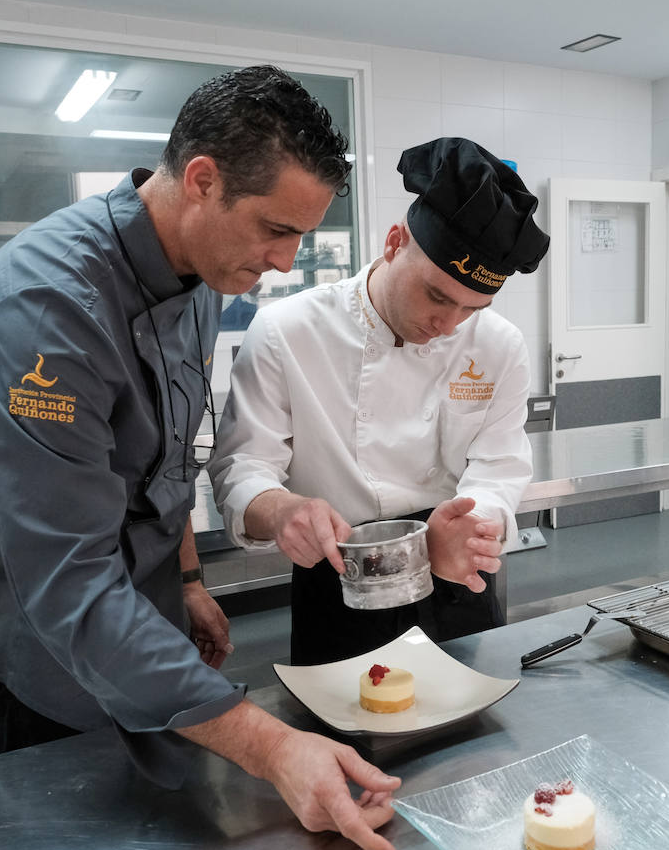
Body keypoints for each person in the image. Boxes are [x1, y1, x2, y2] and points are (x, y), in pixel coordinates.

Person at [0, 65, 400, 850]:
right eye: (275, 229)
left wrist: (185, 578)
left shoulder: (200, 277)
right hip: (40, 664)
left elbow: (168, 453)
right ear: (201, 180)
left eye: (301, 235)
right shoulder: (45, 312)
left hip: (144, 628)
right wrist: (271, 746)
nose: (287, 262)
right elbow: (68, 584)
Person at [209, 137, 550, 665]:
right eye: (436, 295)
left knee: (473, 735)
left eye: (470, 308)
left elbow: (499, 468)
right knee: (341, 733)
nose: (447, 324)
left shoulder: (499, 344)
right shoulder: (287, 331)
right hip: (339, 574)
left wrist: (472, 527)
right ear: (394, 242)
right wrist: (281, 511)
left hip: (452, 571)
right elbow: (242, 466)